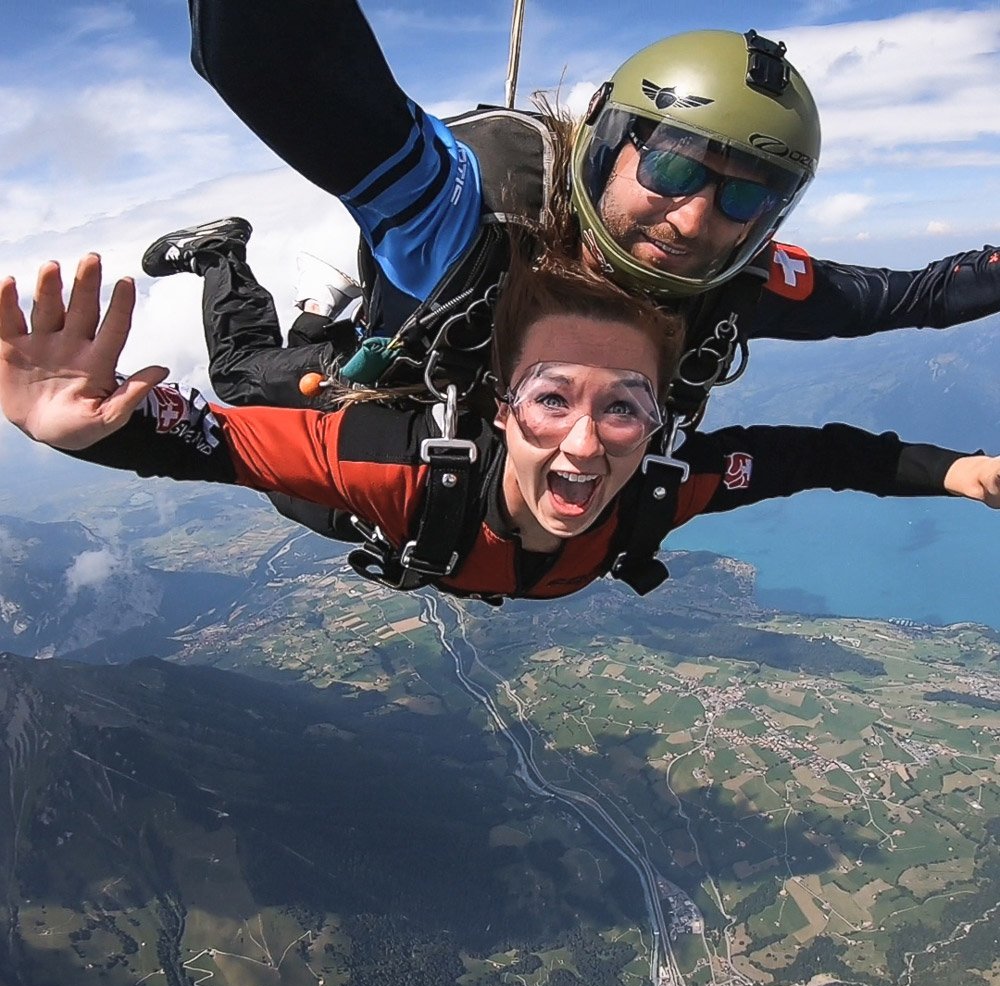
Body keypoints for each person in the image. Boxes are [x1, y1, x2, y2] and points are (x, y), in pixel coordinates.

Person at [165, 1, 1000, 427]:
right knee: (248, 379)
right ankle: (220, 255)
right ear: (609, 142)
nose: (693, 217)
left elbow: (919, 297)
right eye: (671, 164)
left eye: (746, 194)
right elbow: (271, 58)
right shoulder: (472, 218)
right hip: (391, 378)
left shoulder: (734, 280)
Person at [4, 252, 998, 603]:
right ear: (499, 406)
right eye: (552, 397)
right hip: (373, 503)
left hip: (425, 524)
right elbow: (211, 440)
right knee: (267, 400)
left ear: (660, 422)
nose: (585, 441)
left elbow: (816, 458)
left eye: (624, 405)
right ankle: (299, 302)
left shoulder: (663, 480)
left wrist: (948, 470)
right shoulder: (394, 469)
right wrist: (91, 432)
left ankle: (329, 327)